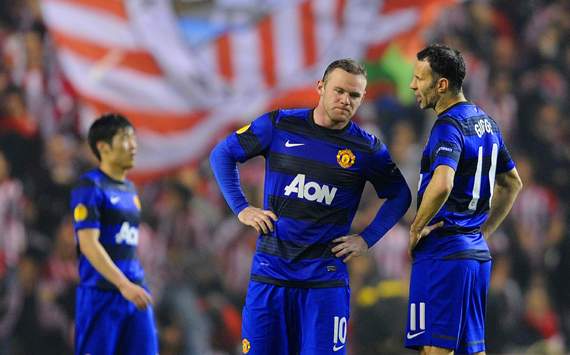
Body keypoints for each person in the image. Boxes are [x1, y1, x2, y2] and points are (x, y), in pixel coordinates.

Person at [210, 59, 411, 354]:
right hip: (271, 275)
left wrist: (366, 239)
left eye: (354, 95)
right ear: (321, 87)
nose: (345, 100)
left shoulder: (367, 149)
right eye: (339, 91)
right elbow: (222, 154)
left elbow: (400, 196)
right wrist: (242, 208)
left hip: (324, 283)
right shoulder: (279, 125)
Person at [405, 44, 523, 355]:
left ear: (441, 85)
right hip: (474, 253)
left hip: (445, 252)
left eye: (419, 78)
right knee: (471, 349)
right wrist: (483, 232)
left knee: (435, 349)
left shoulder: (448, 126)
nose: (413, 85)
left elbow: (442, 183)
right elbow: (512, 183)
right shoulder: (486, 122)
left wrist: (416, 227)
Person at [70, 114, 158, 355]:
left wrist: (133, 284)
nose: (133, 146)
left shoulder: (131, 190)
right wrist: (122, 284)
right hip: (101, 294)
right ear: (103, 147)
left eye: (133, 138)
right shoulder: (90, 186)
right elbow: (88, 244)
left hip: (135, 290)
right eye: (125, 138)